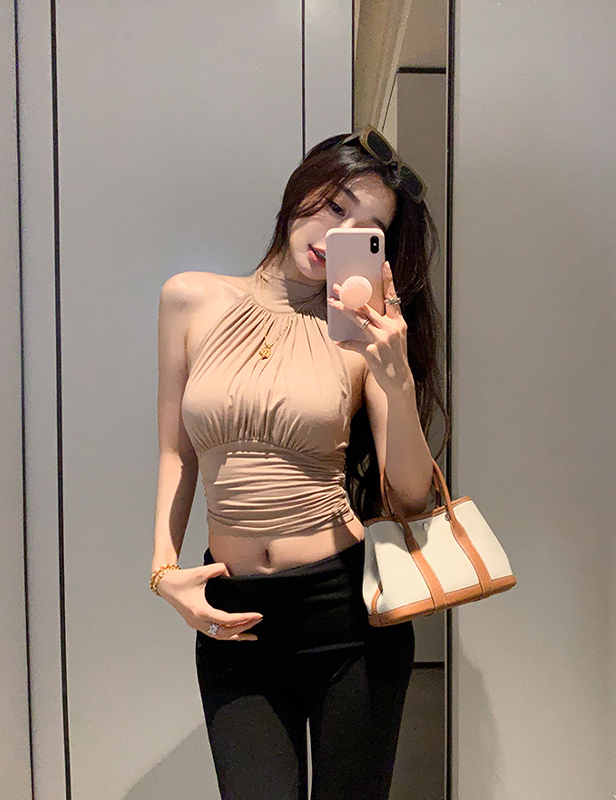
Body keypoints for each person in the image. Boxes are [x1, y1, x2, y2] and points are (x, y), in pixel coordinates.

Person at [150, 129, 447, 800]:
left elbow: (411, 498)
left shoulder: (362, 332)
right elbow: (176, 451)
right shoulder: (190, 300)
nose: (337, 233)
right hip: (235, 619)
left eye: (367, 231)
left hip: (348, 615)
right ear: (301, 187)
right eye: (335, 205)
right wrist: (164, 570)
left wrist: (396, 374)